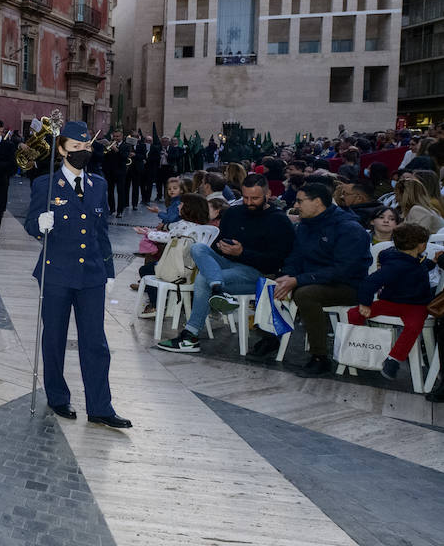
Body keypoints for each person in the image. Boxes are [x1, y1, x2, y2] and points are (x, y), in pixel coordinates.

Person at [24, 121, 131, 429]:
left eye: (86, 148)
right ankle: (57, 396)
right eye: (75, 148)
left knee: (95, 342)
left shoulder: (99, 184)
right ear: (61, 150)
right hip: (56, 273)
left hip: (91, 275)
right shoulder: (45, 185)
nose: (82, 153)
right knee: (54, 338)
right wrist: (39, 224)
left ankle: (100, 406)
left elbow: (102, 231)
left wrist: (108, 272)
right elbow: (32, 223)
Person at [155, 174, 295, 354]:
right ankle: (218, 289)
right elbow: (217, 243)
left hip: (256, 273)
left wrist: (243, 253)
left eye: (255, 198)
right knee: (198, 247)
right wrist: (222, 247)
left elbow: (277, 261)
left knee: (203, 279)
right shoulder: (234, 213)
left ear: (268, 194)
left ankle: (191, 335)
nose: (249, 202)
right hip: (226, 263)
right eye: (245, 197)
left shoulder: (279, 220)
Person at [274, 181, 371, 377]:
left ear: (317, 202)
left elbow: (343, 270)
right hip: (314, 278)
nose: (296, 205)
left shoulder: (349, 228)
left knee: (306, 294)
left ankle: (320, 357)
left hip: (348, 285)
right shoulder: (305, 225)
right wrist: (287, 274)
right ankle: (269, 341)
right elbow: (296, 256)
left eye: (300, 201)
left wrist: (299, 280)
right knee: (270, 283)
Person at [348, 223, 440, 381]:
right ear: (420, 245)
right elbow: (370, 282)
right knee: (354, 313)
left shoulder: (416, 259)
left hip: (415, 305)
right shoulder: (395, 265)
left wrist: (433, 262)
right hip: (394, 303)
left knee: (413, 326)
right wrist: (365, 303)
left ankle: (394, 359)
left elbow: (422, 266)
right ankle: (366, 346)